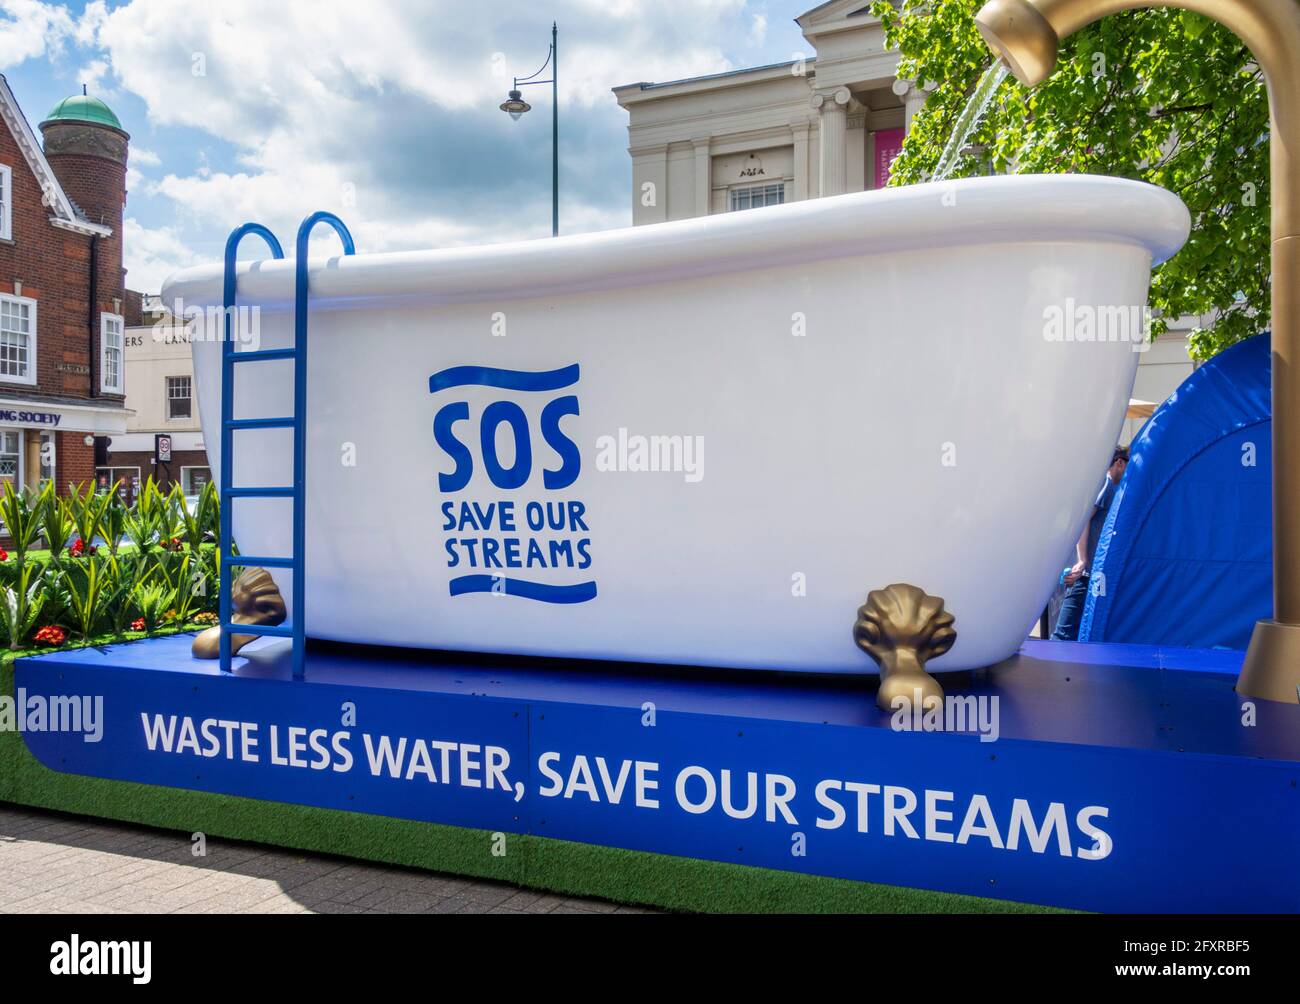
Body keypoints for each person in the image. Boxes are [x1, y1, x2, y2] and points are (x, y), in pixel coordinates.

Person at [1051, 446, 1129, 641]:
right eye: (1129, 464)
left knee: (1075, 631)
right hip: (1087, 573)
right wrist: (1083, 560)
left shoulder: (1111, 487)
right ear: (1119, 463)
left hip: (1093, 573)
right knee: (1064, 632)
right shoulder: (1106, 483)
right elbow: (1083, 520)